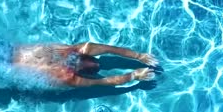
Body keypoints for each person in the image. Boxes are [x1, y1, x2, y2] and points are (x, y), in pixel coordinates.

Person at [0, 25, 160, 89]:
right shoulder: (75, 49)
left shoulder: (67, 76)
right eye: (87, 58)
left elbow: (103, 82)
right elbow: (111, 50)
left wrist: (133, 75)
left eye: (86, 64)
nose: (84, 59)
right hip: (0, 47)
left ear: (83, 70)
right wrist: (138, 56)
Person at [12, 41, 159, 88]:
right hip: (12, 70)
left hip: (13, 50)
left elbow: (110, 49)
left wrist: (139, 56)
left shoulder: (74, 49)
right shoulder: (68, 77)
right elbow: (103, 81)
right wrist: (133, 75)